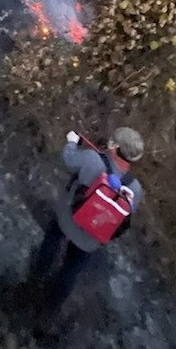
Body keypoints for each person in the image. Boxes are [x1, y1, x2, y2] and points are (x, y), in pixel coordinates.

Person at [32, 126, 144, 309]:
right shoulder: (135, 188)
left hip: (69, 220)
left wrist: (71, 143)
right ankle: (51, 305)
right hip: (93, 237)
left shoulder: (92, 158)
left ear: (114, 147)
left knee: (53, 238)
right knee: (72, 268)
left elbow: (68, 159)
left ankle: (37, 275)